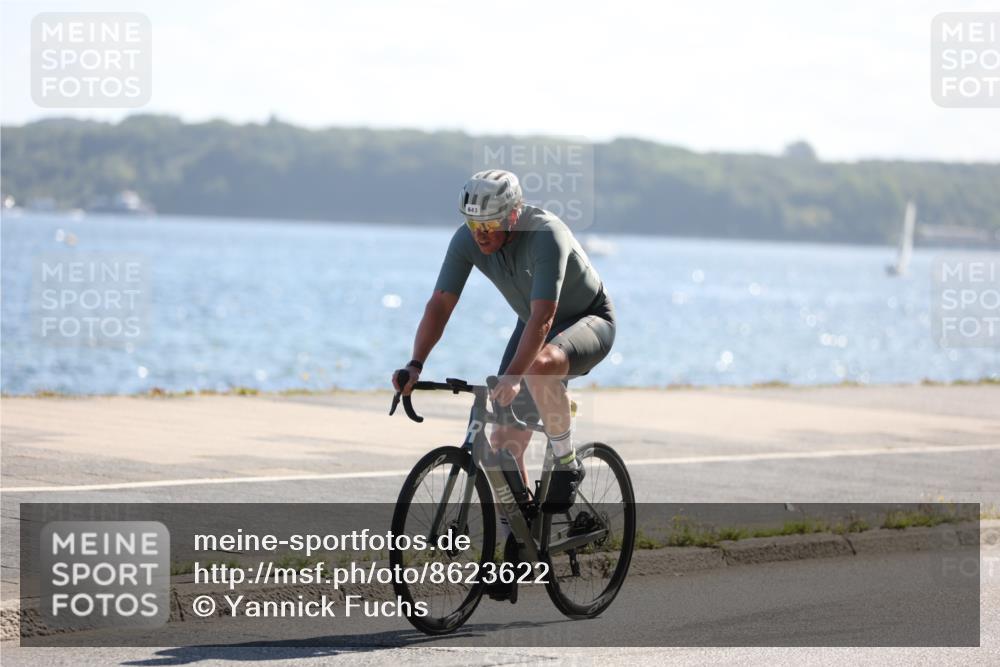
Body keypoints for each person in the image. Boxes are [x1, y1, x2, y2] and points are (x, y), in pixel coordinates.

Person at [392, 169, 616, 513]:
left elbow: (544, 316)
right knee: (501, 447)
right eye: (472, 224)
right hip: (533, 324)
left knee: (538, 370)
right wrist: (415, 363)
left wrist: (513, 377)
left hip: (587, 320)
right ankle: (522, 535)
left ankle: (567, 461)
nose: (480, 234)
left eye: (490, 225)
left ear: (514, 214)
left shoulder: (545, 234)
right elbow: (440, 304)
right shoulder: (467, 240)